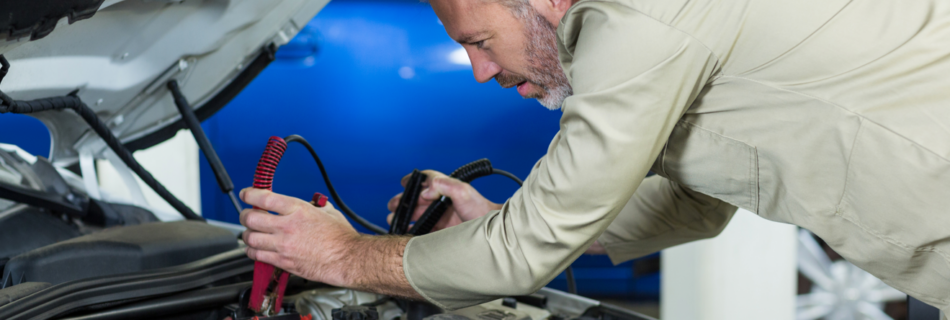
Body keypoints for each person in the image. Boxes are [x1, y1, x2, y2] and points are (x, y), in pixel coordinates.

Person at [238, 0, 950, 313]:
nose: (480, 72)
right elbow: (694, 200)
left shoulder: (635, 21)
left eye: (479, 42)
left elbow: (526, 254)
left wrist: (341, 258)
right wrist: (492, 217)